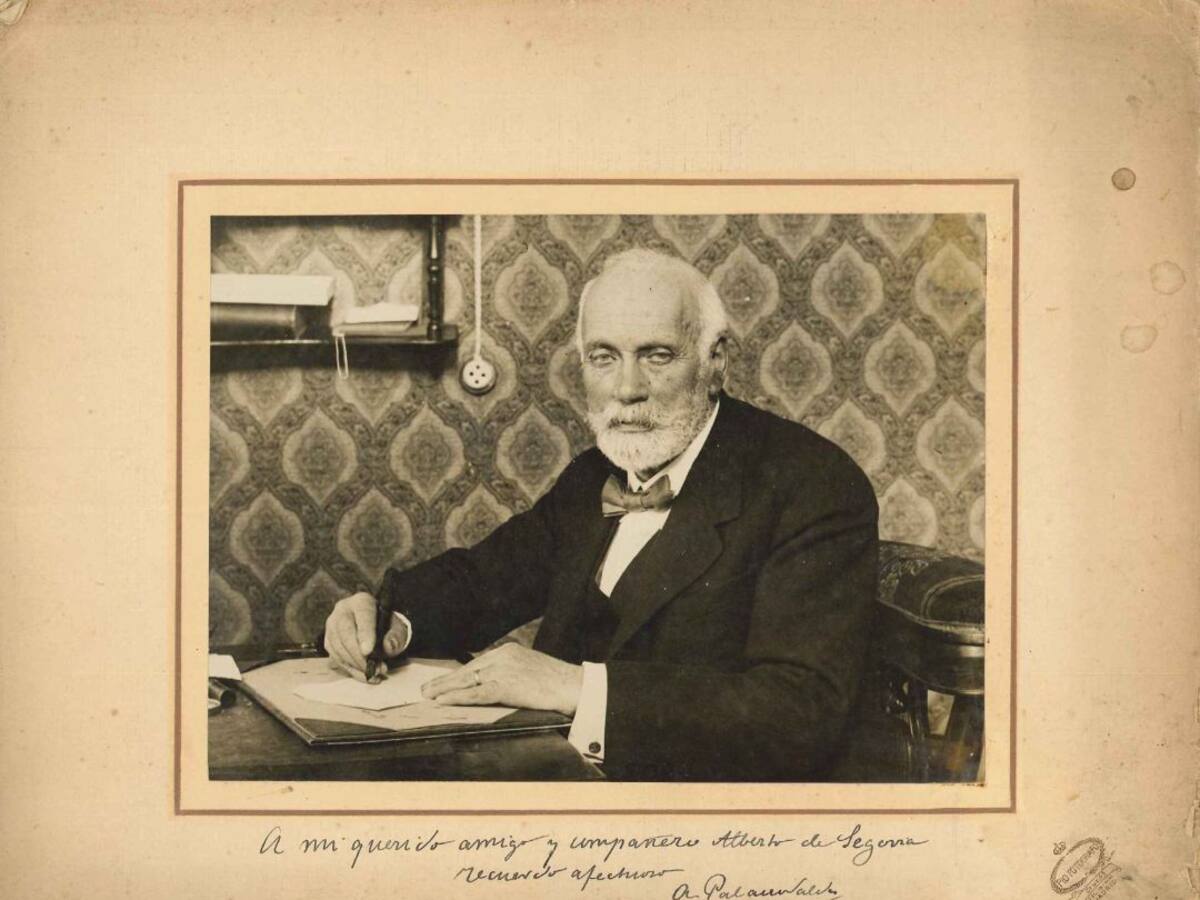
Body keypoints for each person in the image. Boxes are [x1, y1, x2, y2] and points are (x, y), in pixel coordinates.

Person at [323, 248, 879, 781]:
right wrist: (391, 618)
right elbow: (484, 580)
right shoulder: (593, 476)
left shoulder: (813, 485)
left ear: (716, 361)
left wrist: (575, 689)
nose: (627, 390)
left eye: (657, 356)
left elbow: (800, 715)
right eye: (604, 357)